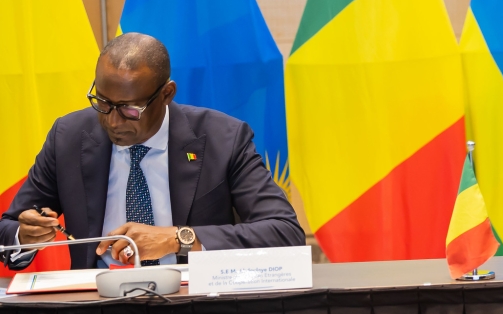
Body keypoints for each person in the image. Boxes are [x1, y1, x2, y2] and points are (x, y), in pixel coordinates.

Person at [0, 33, 305, 269]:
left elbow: (284, 233)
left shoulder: (222, 138)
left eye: (130, 109)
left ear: (167, 94)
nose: (112, 121)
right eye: (103, 103)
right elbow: (9, 230)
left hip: (196, 310)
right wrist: (24, 237)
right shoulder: (69, 137)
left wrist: (177, 239)